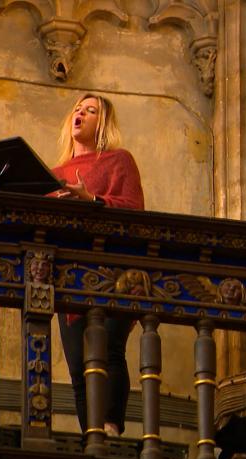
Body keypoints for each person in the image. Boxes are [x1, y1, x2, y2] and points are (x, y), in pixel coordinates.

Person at [50, 93, 144, 437]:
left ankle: (112, 430)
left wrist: (90, 198)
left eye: (90, 111)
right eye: (77, 108)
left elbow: (133, 210)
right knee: (79, 366)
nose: (81, 113)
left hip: (112, 272)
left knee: (108, 353)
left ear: (102, 123)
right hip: (67, 275)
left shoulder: (119, 160)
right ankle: (92, 433)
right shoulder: (53, 175)